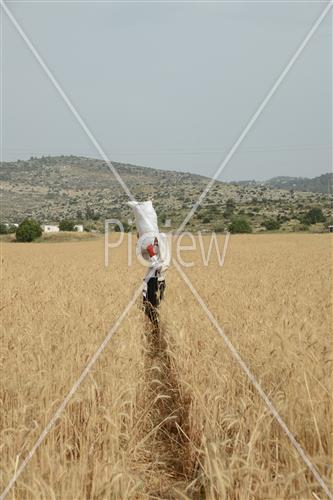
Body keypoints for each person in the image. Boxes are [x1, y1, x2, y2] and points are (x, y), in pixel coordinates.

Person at [128, 201, 170, 324]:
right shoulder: (161, 239)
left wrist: (150, 251)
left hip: (154, 282)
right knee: (153, 310)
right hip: (158, 280)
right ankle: (154, 332)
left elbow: (156, 264)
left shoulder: (156, 245)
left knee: (151, 312)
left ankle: (154, 333)